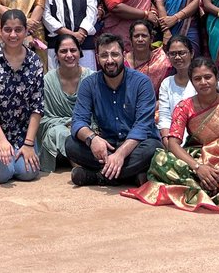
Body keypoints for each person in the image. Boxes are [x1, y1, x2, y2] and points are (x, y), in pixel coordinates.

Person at [122, 56, 219, 212]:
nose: (203, 82)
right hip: (196, 158)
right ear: (192, 82)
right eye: (198, 79)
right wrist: (198, 168)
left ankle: (204, 183)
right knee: (160, 159)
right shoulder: (184, 106)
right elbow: (173, 143)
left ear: (216, 78)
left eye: (208, 77)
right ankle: (211, 185)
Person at [67, 34, 161, 186]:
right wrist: (93, 139)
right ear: (97, 58)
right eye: (104, 55)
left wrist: (120, 154)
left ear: (123, 55)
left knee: (152, 149)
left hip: (136, 145)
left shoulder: (142, 83)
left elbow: (143, 126)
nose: (110, 60)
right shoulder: (89, 84)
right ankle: (129, 175)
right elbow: (78, 121)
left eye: (115, 54)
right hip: (107, 145)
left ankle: (97, 177)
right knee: (71, 144)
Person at [0, 9, 45, 184]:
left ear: (25, 31)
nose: (13, 35)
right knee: (1, 175)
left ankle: (20, 152)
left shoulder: (35, 61)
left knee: (28, 172)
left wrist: (29, 143)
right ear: (1, 30)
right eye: (7, 29)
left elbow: (37, 107)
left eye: (18, 30)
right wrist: (1, 141)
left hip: (23, 133)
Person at [38, 36, 95, 172]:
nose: (69, 55)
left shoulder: (92, 79)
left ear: (80, 52)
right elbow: (43, 119)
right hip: (56, 136)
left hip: (88, 130)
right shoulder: (48, 81)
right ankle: (80, 167)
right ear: (56, 54)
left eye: (73, 50)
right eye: (63, 51)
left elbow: (98, 115)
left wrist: (79, 127)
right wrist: (69, 124)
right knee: (59, 132)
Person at [157, 35, 198, 139]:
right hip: (172, 136)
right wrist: (167, 140)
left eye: (182, 53)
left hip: (199, 136)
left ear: (191, 53)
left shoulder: (202, 80)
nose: (177, 57)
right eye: (173, 54)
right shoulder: (166, 83)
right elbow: (164, 117)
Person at [125, 19, 173, 96]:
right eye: (136, 36)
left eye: (144, 36)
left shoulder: (161, 60)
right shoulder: (122, 62)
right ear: (130, 40)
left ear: (151, 39)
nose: (140, 39)